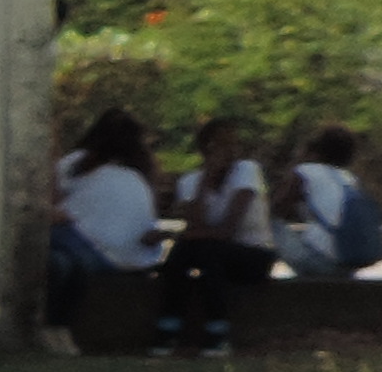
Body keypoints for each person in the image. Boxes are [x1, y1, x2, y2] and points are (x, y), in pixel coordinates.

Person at [161, 113, 276, 356]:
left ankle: (218, 333)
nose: (230, 151)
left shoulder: (246, 171)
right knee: (182, 254)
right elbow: (194, 225)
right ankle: (167, 329)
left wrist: (196, 234)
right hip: (211, 252)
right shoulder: (190, 182)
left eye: (234, 144)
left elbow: (227, 230)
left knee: (207, 253)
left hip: (252, 254)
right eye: (221, 145)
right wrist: (206, 179)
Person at [47, 109, 168, 336]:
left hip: (95, 250)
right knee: (59, 262)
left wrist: (52, 152)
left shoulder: (81, 163)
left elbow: (53, 207)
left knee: (40, 233)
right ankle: (56, 329)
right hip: (132, 258)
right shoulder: (140, 173)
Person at [277, 125, 382, 278]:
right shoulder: (349, 178)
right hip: (350, 260)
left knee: (271, 224)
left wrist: (296, 163)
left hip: (319, 260)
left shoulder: (304, 172)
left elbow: (277, 209)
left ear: (315, 150)